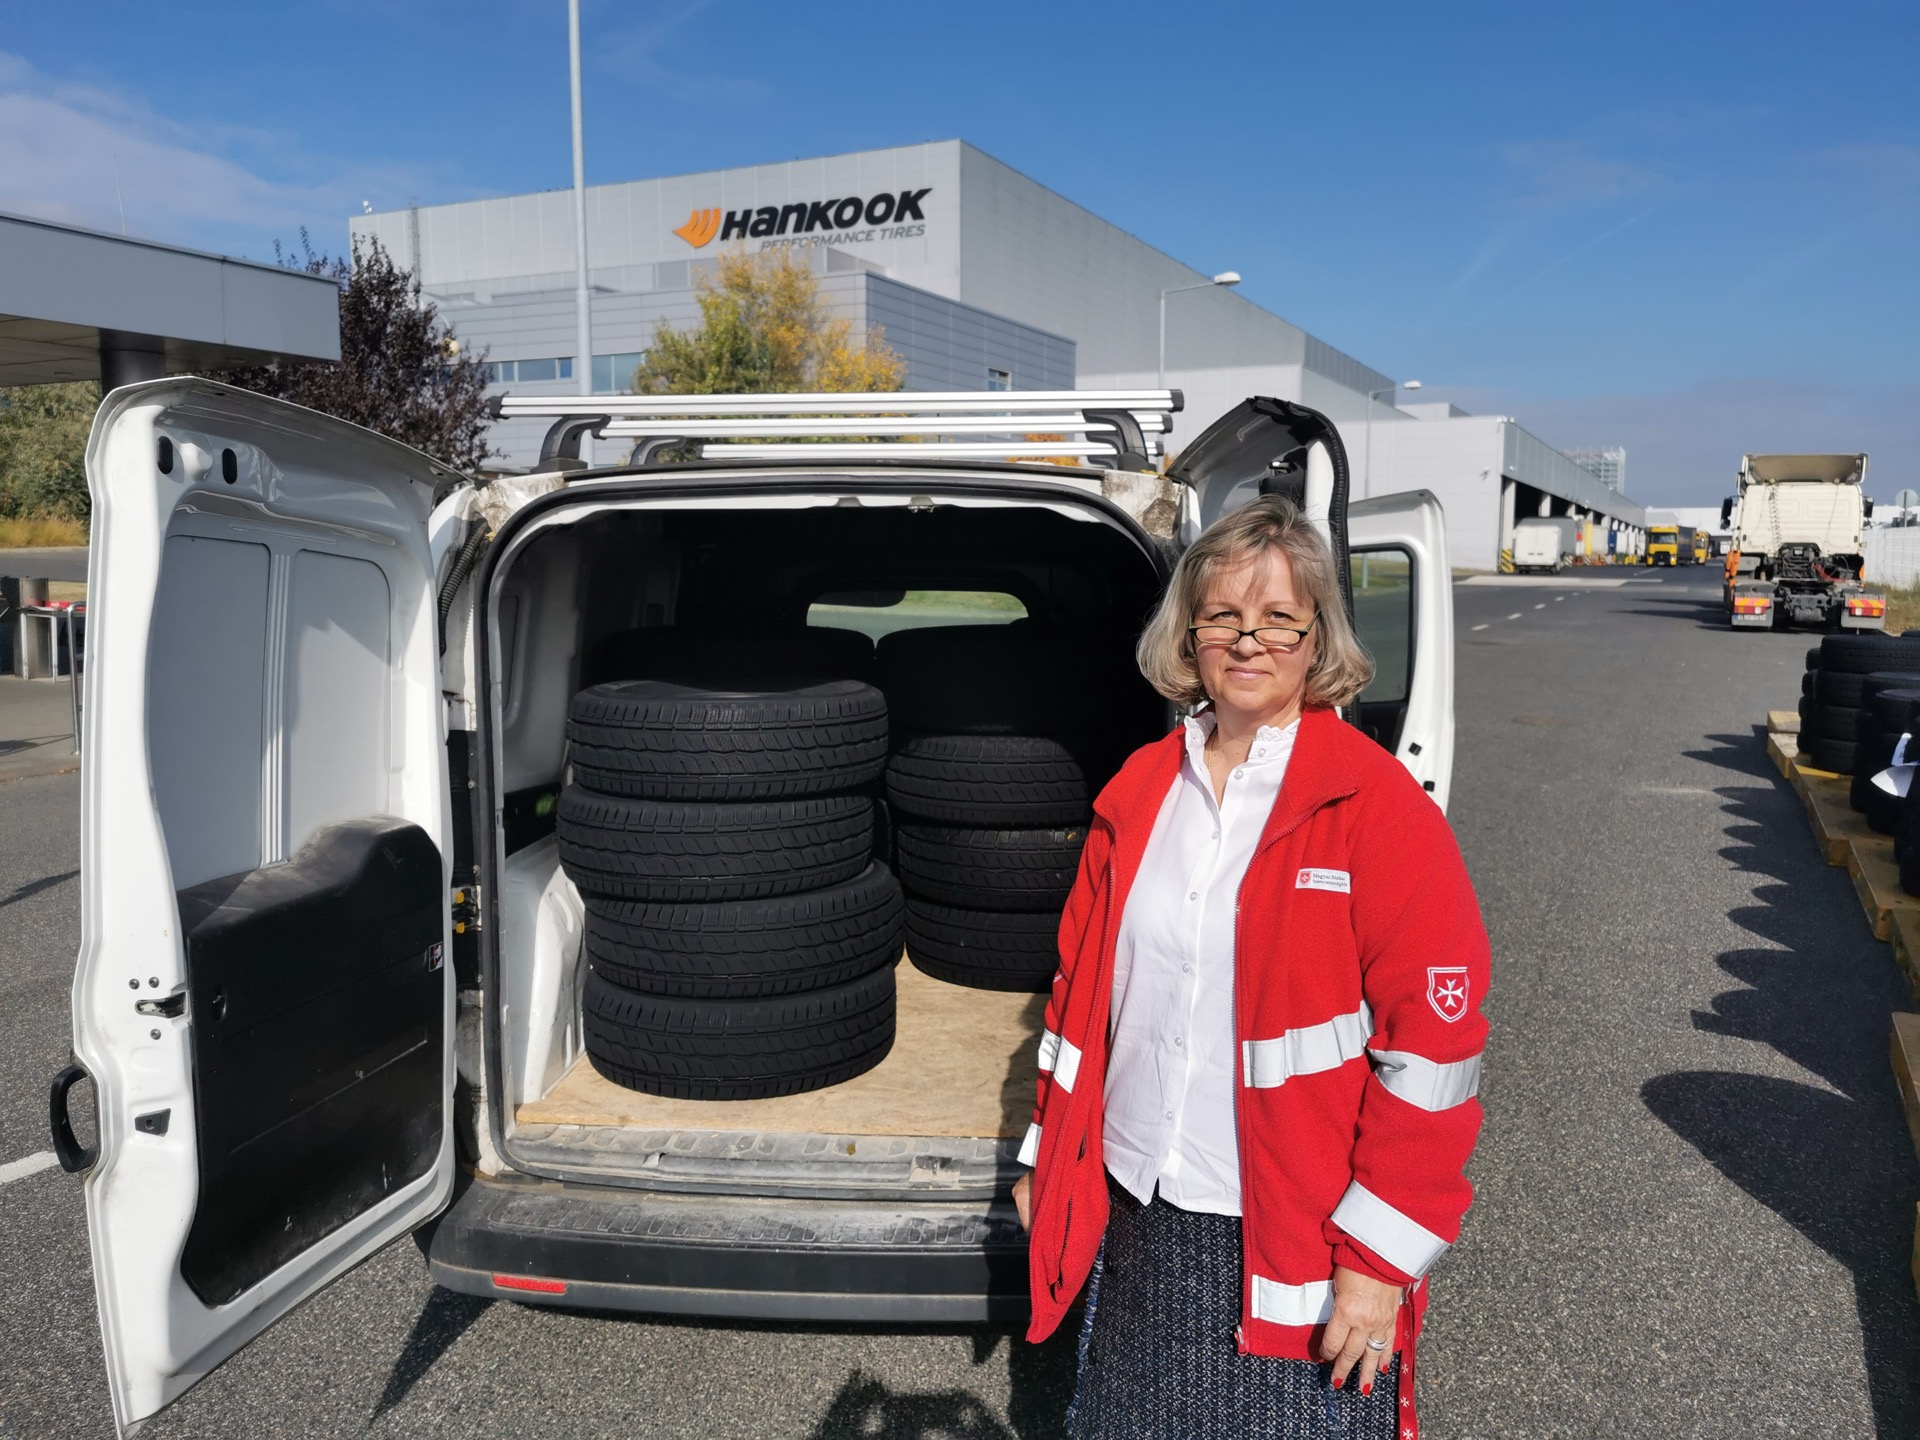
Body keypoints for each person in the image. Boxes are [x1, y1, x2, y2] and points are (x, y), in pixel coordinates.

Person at [1010, 495, 1489, 1439]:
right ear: (1189, 635)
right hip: (1138, 1205)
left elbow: (1435, 1057)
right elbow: (1077, 1007)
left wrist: (1378, 1261)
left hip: (1289, 1228)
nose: (1247, 640)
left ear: (1318, 638)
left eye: (1278, 618)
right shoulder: (1139, 791)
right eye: (1222, 615)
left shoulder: (1374, 807)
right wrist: (1047, 1158)